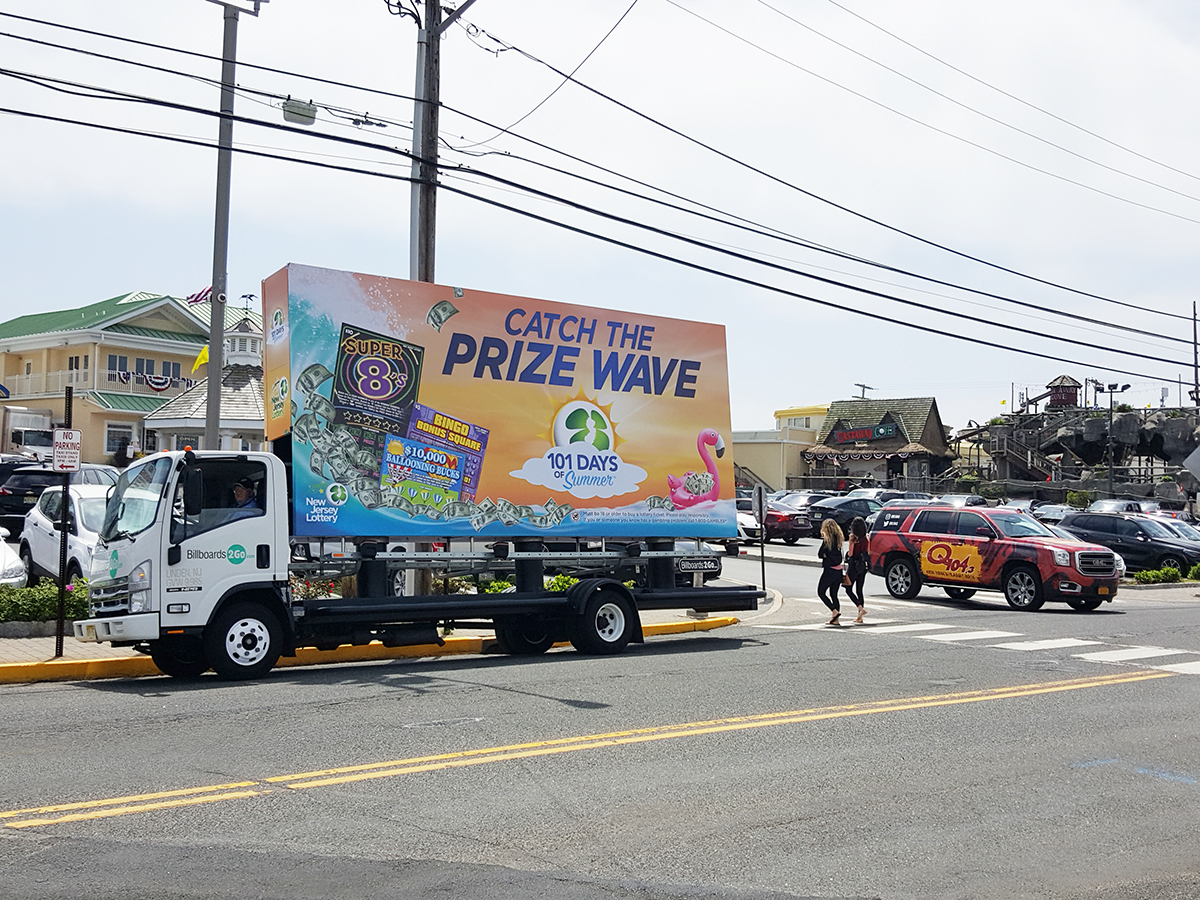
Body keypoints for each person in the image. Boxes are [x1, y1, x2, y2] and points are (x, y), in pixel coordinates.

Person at [817, 518, 845, 625]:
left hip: (829, 571)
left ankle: (834, 611)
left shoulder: (827, 540)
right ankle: (836, 620)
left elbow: (820, 554)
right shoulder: (839, 540)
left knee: (821, 592)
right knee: (834, 594)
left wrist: (825, 555)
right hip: (838, 571)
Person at [846, 516, 869, 624]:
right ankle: (860, 617)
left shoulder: (852, 537)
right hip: (862, 566)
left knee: (848, 589)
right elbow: (868, 552)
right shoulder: (866, 538)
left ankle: (860, 608)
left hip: (853, 565)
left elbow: (851, 553)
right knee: (859, 590)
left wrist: (847, 554)